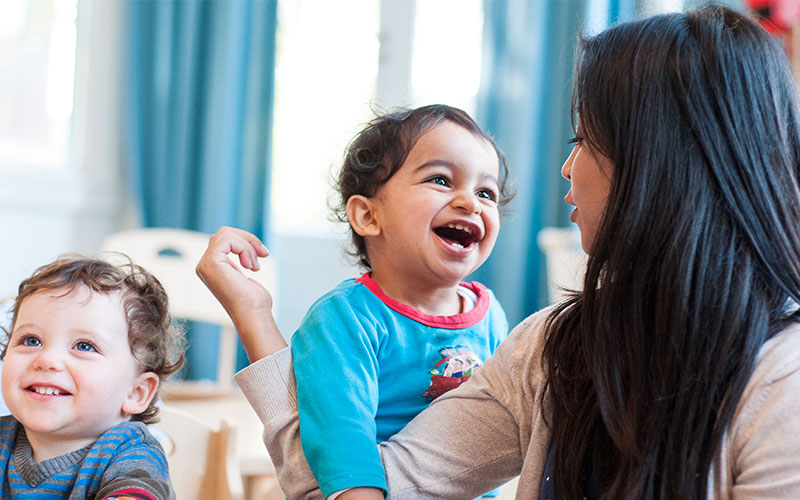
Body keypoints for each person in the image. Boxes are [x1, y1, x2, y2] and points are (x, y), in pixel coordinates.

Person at [200, 5, 800, 499]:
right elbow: (354, 486)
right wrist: (254, 318)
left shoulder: (782, 384)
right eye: (439, 181)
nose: (567, 168)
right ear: (366, 214)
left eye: (584, 141)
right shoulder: (550, 347)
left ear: (657, 165)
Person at [198, 104, 514, 499]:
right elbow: (340, 435)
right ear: (367, 216)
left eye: (486, 192)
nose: (471, 202)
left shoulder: (492, 315)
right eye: (441, 180)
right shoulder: (345, 317)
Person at [0, 255, 185, 499]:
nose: (47, 360)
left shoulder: (130, 454)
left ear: (135, 392)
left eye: (84, 346)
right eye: (31, 340)